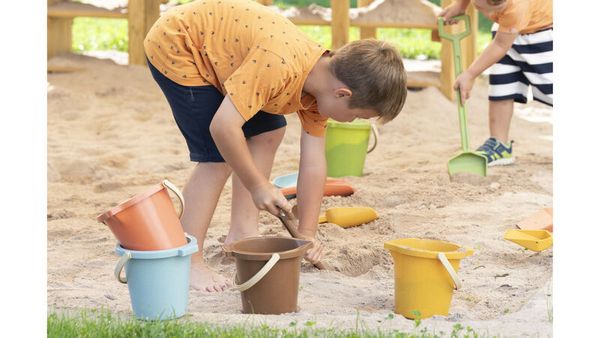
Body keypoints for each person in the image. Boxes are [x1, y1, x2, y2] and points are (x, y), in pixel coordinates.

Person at [143, 0, 407, 292]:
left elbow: (313, 164)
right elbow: (223, 127)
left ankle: (242, 232)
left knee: (270, 131)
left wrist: (306, 233)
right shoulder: (279, 65)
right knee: (217, 156)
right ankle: (187, 261)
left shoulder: (321, 86)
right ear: (343, 94)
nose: (351, 121)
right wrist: (258, 185)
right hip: (180, 44)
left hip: (224, 55)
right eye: (357, 116)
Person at [440, 0, 552, 166]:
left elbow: (500, 45)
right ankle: (499, 145)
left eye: (491, 10)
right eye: (477, 6)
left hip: (540, 35)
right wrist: (460, 6)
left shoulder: (516, 7)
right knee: (502, 86)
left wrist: (470, 74)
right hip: (505, 32)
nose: (487, 15)